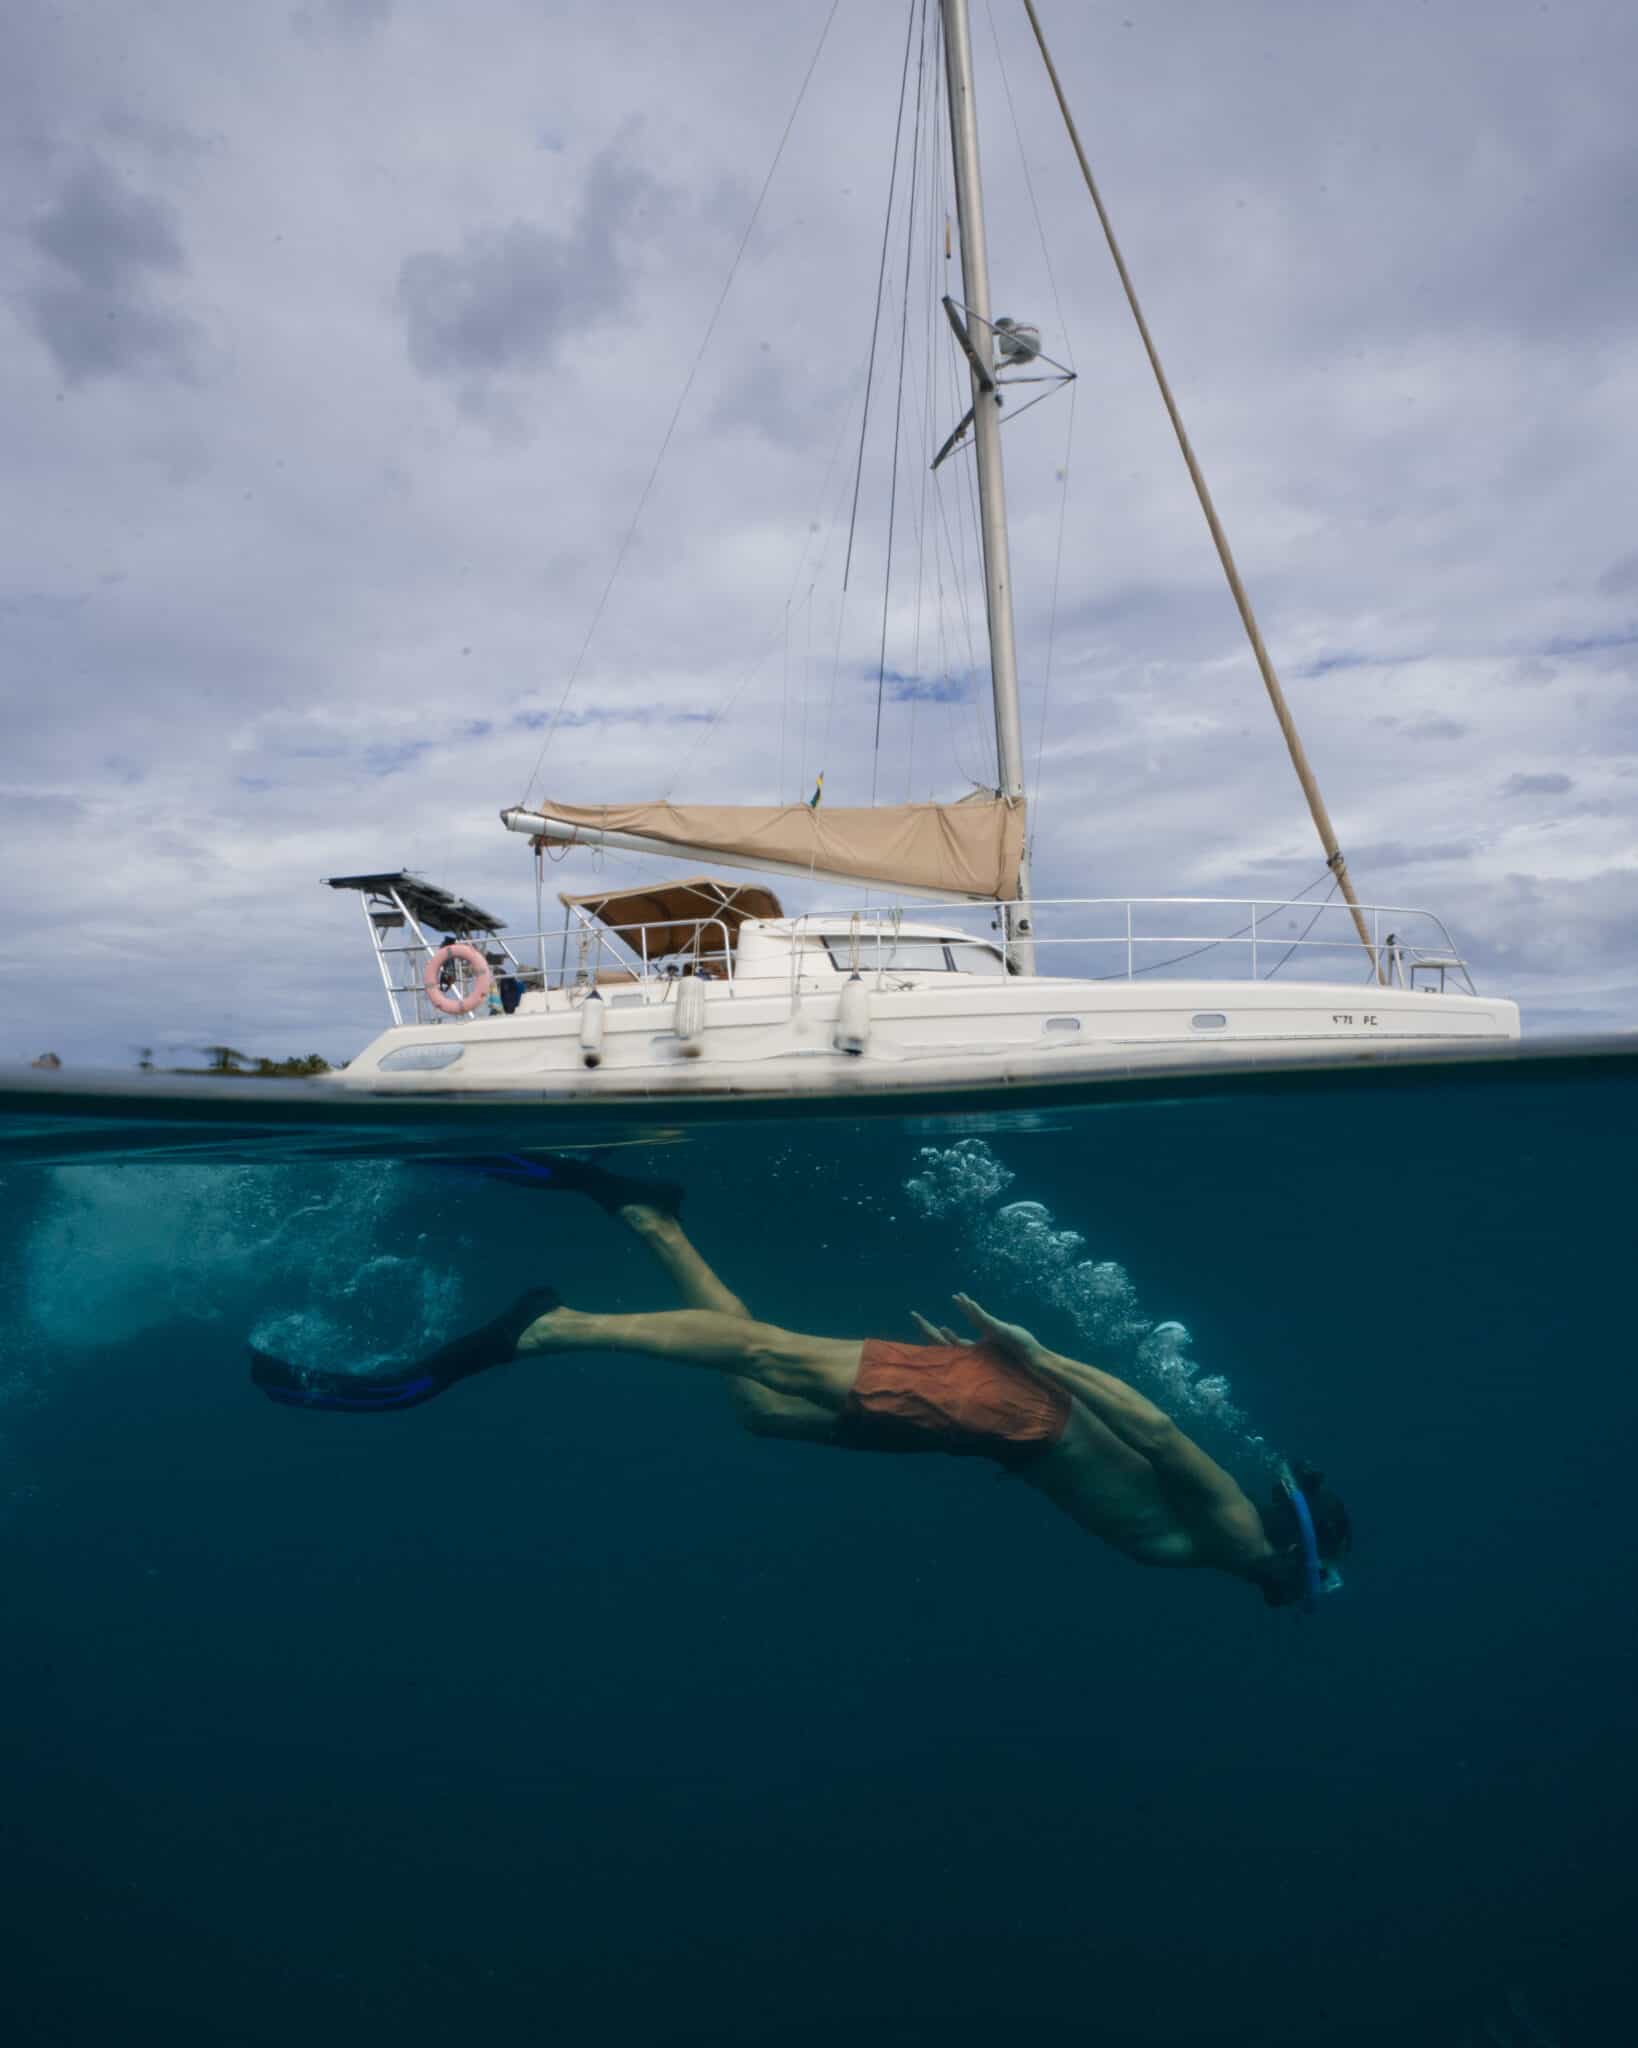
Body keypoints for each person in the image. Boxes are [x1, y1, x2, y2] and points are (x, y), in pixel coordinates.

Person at [251, 1155, 1350, 1608]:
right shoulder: (1231, 1529)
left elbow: (1133, 1450)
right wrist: (1026, 1349)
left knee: (760, 1398)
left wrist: (1007, 1385)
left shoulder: (1232, 1544)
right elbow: (1153, 1425)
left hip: (991, 1428)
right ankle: (550, 1327)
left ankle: (648, 1215)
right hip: (1007, 1409)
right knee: (767, 1354)